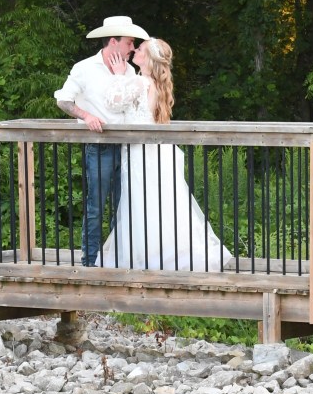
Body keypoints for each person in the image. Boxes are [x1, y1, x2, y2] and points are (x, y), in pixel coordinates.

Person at [98, 37, 232, 271]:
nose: (136, 50)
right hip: (156, 151)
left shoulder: (140, 83)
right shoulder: (156, 85)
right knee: (160, 203)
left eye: (140, 49)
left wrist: (119, 74)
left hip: (141, 153)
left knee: (144, 203)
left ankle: (147, 261)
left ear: (147, 58)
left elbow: (113, 102)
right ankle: (159, 257)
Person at [54, 15, 150, 266]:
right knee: (96, 207)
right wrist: (86, 116)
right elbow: (63, 100)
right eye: (129, 42)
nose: (132, 48)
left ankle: (119, 262)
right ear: (113, 42)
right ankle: (89, 263)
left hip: (129, 149)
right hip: (99, 147)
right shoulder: (84, 68)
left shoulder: (129, 70)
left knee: (125, 208)